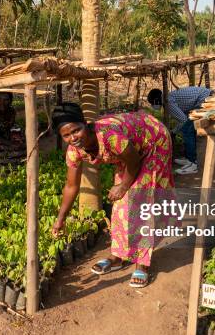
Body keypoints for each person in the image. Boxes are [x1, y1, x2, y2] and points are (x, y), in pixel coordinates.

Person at [51, 103, 174, 288]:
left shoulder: (109, 135)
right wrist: (60, 219)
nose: (73, 138)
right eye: (66, 135)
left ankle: (142, 262)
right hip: (130, 148)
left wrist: (123, 186)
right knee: (120, 205)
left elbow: (133, 160)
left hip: (153, 140)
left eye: (76, 130)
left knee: (140, 201)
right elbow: (71, 186)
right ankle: (118, 256)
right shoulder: (74, 151)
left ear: (86, 124)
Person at [147, 87, 213, 175]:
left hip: (205, 99)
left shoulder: (168, 103)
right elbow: (184, 115)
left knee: (187, 129)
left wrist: (173, 132)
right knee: (188, 127)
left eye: (152, 103)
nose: (152, 106)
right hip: (203, 95)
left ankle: (192, 164)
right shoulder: (168, 98)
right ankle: (189, 158)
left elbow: (183, 120)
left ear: (156, 101)